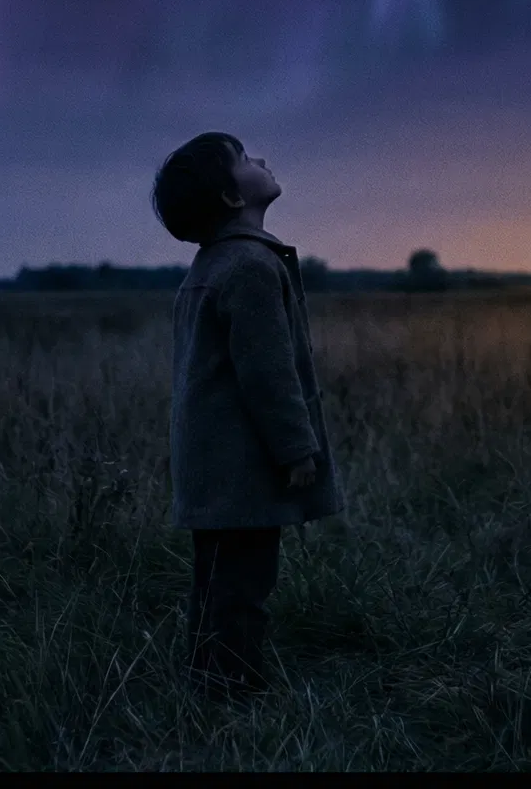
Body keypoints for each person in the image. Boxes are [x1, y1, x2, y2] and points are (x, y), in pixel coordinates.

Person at [150, 131, 343, 701]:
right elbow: (268, 374)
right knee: (243, 588)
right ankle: (233, 692)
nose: (258, 159)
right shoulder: (251, 267)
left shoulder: (211, 265)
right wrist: (296, 450)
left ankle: (207, 681)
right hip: (242, 468)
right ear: (233, 198)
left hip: (211, 464)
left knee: (215, 583)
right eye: (242, 159)